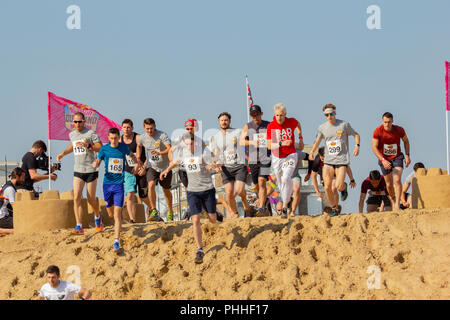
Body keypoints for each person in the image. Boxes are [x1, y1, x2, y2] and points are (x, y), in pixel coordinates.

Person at [161, 132, 221, 263]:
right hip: (193, 191)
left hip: (207, 189)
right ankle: (200, 249)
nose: (189, 146)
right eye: (186, 144)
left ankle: (213, 213)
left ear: (196, 142)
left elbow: (216, 161)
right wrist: (166, 170)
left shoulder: (204, 151)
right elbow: (176, 162)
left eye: (191, 143)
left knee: (213, 220)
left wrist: (215, 167)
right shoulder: (183, 152)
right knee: (195, 220)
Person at [93, 128, 141, 253]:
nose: (114, 141)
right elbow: (98, 161)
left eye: (116, 138)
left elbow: (132, 155)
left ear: (118, 138)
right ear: (108, 138)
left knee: (117, 215)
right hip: (107, 184)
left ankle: (116, 241)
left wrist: (136, 163)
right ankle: (100, 219)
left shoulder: (123, 147)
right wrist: (96, 164)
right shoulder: (104, 149)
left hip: (119, 184)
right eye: (111, 138)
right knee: (110, 213)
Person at [309, 104, 360, 217]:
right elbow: (317, 141)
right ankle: (334, 208)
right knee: (327, 187)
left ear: (335, 113)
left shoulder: (344, 125)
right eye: (327, 115)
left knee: (338, 186)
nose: (329, 116)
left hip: (341, 160)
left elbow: (356, 135)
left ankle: (344, 187)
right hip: (328, 161)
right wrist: (312, 152)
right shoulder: (322, 127)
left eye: (331, 114)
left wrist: (357, 146)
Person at [57, 112, 103, 235]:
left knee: (91, 199)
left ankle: (97, 216)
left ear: (84, 121)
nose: (77, 124)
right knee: (76, 196)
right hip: (78, 170)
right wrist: (63, 153)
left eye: (79, 121)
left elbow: (100, 147)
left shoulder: (90, 133)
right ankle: (79, 225)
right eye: (75, 122)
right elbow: (72, 146)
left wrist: (88, 145)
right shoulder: (72, 134)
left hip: (91, 170)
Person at [209, 112, 253, 218]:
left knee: (239, 190)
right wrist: (216, 164)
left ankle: (244, 201)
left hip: (239, 165)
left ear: (229, 121)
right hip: (226, 167)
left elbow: (246, 142)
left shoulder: (237, 132)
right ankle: (235, 214)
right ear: (219, 122)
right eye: (222, 120)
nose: (224, 122)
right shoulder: (215, 137)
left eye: (226, 120)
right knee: (228, 193)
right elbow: (215, 153)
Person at [266, 103, 304, 218]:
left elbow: (298, 124)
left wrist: (300, 138)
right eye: (277, 115)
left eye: (281, 115)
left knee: (286, 177)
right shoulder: (271, 126)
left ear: (285, 115)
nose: (279, 118)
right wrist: (281, 143)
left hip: (290, 155)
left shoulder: (291, 121)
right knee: (280, 182)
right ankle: (285, 201)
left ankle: (285, 206)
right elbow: (268, 146)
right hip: (277, 157)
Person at [372, 112, 411, 211]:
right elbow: (374, 147)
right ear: (382, 121)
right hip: (384, 158)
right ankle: (393, 199)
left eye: (389, 122)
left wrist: (407, 155)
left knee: (397, 179)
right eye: (385, 122)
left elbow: (406, 141)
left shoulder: (399, 130)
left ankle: (397, 204)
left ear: (392, 121)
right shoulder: (378, 131)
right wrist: (383, 160)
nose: (387, 124)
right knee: (389, 184)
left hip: (397, 157)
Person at [136, 118, 174, 221]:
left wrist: (159, 153)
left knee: (166, 190)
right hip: (152, 166)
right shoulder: (142, 137)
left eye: (151, 128)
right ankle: (153, 210)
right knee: (151, 184)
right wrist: (138, 159)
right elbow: (138, 146)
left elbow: (169, 148)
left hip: (165, 167)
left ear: (155, 126)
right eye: (147, 129)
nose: (149, 131)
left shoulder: (162, 135)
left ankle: (170, 211)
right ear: (144, 128)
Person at [239, 105, 272, 217]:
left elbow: (274, 139)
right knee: (257, 185)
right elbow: (241, 142)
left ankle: (261, 207)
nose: (255, 117)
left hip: (265, 158)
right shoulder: (247, 126)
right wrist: (252, 142)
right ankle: (264, 200)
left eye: (257, 114)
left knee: (262, 181)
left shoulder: (268, 125)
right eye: (253, 115)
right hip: (253, 159)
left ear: (261, 113)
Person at [120, 119, 150, 223]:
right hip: (129, 171)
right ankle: (132, 219)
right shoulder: (120, 140)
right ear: (121, 128)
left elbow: (150, 152)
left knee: (143, 196)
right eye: (124, 127)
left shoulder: (138, 138)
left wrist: (145, 167)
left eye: (128, 127)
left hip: (141, 171)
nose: (126, 129)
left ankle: (152, 209)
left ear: (132, 128)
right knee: (130, 195)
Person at [0, 167, 26, 235]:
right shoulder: (10, 189)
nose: (23, 180)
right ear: (17, 176)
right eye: (22, 178)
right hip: (2, 218)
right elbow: (15, 208)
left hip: (2, 216)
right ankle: (3, 231)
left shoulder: (6, 185)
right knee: (23, 224)